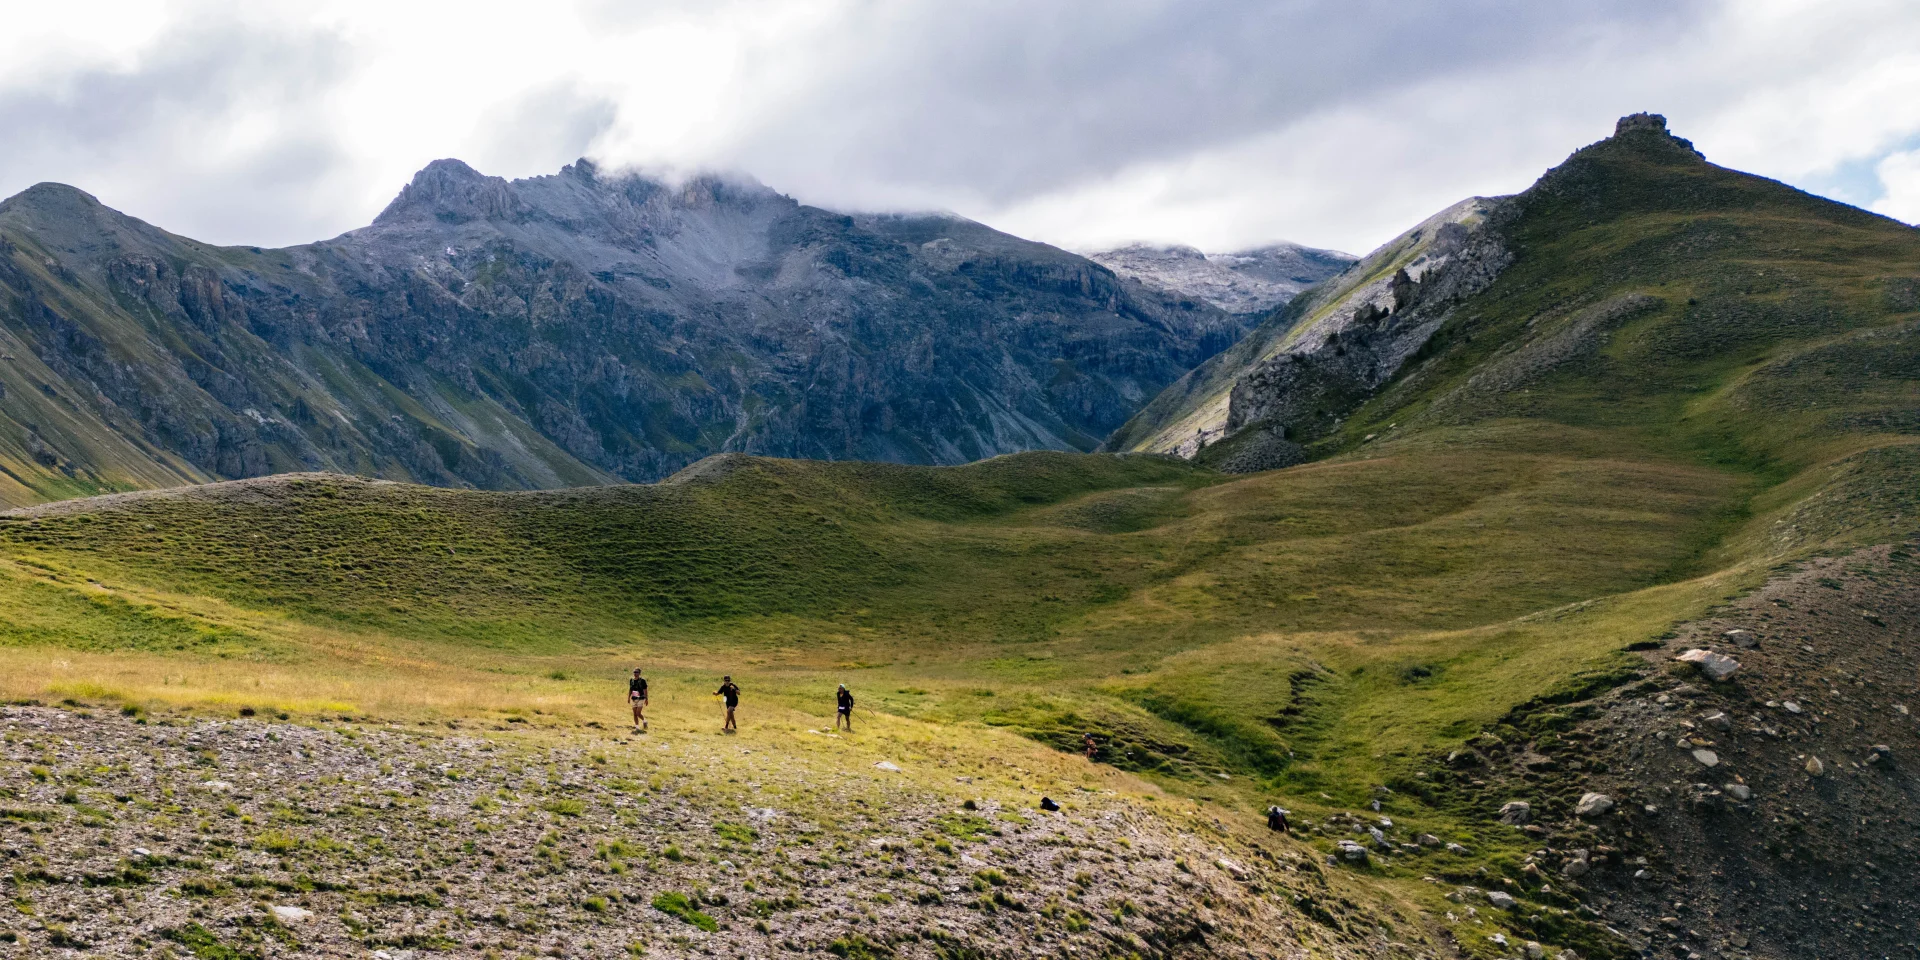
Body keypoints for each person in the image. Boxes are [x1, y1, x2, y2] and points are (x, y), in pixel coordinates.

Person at [628, 668, 649, 733]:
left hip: (641, 698)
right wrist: (628, 697)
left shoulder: (642, 680)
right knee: (634, 713)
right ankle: (637, 726)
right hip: (634, 698)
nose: (635, 673)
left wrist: (646, 698)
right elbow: (630, 689)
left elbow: (645, 690)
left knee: (638, 713)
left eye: (636, 672)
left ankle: (644, 721)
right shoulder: (631, 680)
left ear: (639, 673)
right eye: (634, 672)